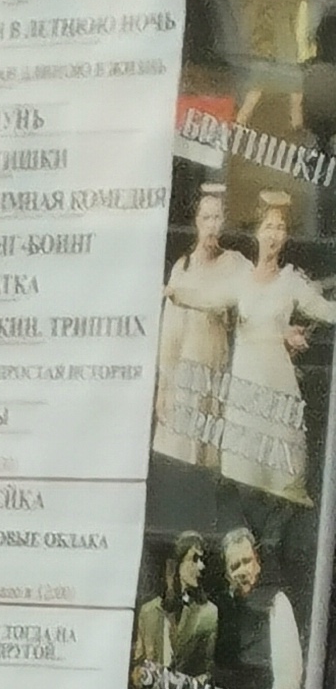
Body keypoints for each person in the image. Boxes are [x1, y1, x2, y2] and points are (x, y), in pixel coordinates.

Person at [218, 189, 334, 502]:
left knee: (283, 478)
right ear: (256, 232)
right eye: (268, 227)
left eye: (280, 228)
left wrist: (288, 335)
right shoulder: (239, 277)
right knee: (244, 471)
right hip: (246, 385)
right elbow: (211, 302)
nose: (274, 235)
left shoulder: (291, 281)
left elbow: (326, 312)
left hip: (278, 385)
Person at [155, 181, 242, 476]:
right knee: (179, 453)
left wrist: (179, 294)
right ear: (196, 222)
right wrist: (163, 387)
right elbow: (170, 335)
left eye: (217, 218)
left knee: (208, 457)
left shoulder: (232, 264)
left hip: (215, 370)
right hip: (184, 373)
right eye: (206, 218)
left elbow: (221, 301)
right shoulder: (183, 267)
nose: (212, 226)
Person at [218, 522, 308, 689]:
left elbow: (288, 674)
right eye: (235, 566)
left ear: (257, 561)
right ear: (227, 574)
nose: (242, 571)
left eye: (246, 561)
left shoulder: (276, 603)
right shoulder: (225, 610)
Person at [132, 529, 221, 689]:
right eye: (194, 559)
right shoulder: (148, 612)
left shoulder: (209, 613)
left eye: (202, 560)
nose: (201, 566)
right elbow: (137, 665)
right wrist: (140, 676)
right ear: (176, 564)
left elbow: (208, 671)